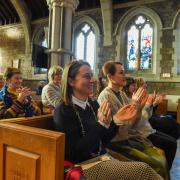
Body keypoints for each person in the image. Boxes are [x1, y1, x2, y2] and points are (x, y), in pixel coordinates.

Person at [54, 60, 162, 180]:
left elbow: (103, 141)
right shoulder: (63, 111)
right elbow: (74, 154)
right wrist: (100, 124)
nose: (93, 80)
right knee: (143, 170)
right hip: (85, 167)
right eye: (87, 76)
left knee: (148, 167)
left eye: (92, 76)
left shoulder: (92, 104)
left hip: (103, 158)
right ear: (71, 81)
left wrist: (116, 121)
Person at [97, 61, 174, 179]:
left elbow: (135, 124)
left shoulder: (121, 94)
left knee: (161, 156)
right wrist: (136, 106)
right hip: (116, 143)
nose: (125, 76)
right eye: (121, 73)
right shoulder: (106, 97)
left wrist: (140, 107)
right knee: (157, 164)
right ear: (110, 77)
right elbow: (119, 130)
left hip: (128, 138)